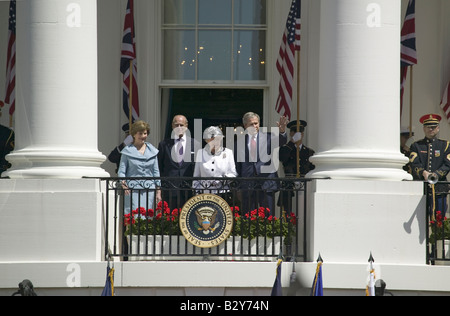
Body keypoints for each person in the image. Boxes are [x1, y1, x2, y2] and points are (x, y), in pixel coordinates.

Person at [234, 112, 288, 213]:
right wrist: (238, 187)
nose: (254, 126)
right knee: (248, 218)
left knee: (269, 216)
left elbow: (282, 141)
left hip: (266, 182)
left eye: (256, 123)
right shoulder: (239, 143)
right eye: (251, 124)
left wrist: (282, 132)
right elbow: (238, 167)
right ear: (245, 126)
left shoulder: (269, 137)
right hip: (248, 185)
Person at [409, 114, 450, 216]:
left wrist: (436, 175)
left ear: (438, 128)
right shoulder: (416, 146)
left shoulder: (445, 145)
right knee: (421, 219)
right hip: (421, 187)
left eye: (434, 127)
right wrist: (423, 172)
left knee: (439, 220)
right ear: (424, 128)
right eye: (428, 127)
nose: (431, 129)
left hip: (439, 189)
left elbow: (447, 164)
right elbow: (414, 163)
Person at [118, 120, 161, 216]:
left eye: (145, 133)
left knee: (148, 217)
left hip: (149, 189)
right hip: (132, 189)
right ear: (134, 134)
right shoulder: (127, 151)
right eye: (140, 133)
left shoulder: (153, 151)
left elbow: (156, 172)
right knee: (134, 216)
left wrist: (158, 191)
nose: (143, 136)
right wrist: (124, 185)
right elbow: (121, 171)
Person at [157, 115, 201, 209]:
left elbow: (198, 167)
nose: (179, 128)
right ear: (172, 126)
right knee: (169, 220)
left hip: (188, 190)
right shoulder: (164, 144)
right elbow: (159, 167)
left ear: (186, 126)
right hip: (169, 189)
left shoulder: (195, 144)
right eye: (176, 125)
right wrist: (159, 189)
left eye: (181, 125)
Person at [193, 126, 237, 202]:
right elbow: (196, 176)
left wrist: (221, 180)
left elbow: (233, 174)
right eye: (212, 140)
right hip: (204, 194)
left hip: (223, 193)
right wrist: (197, 193)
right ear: (207, 141)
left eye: (218, 139)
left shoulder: (228, 152)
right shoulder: (200, 153)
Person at [278, 120, 315, 211]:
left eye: (299, 132)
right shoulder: (286, 148)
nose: (297, 135)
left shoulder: (309, 152)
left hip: (303, 185)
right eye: (294, 132)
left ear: (302, 134)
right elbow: (282, 158)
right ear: (291, 133)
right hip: (289, 185)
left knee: (304, 211)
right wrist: (292, 141)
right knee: (287, 211)